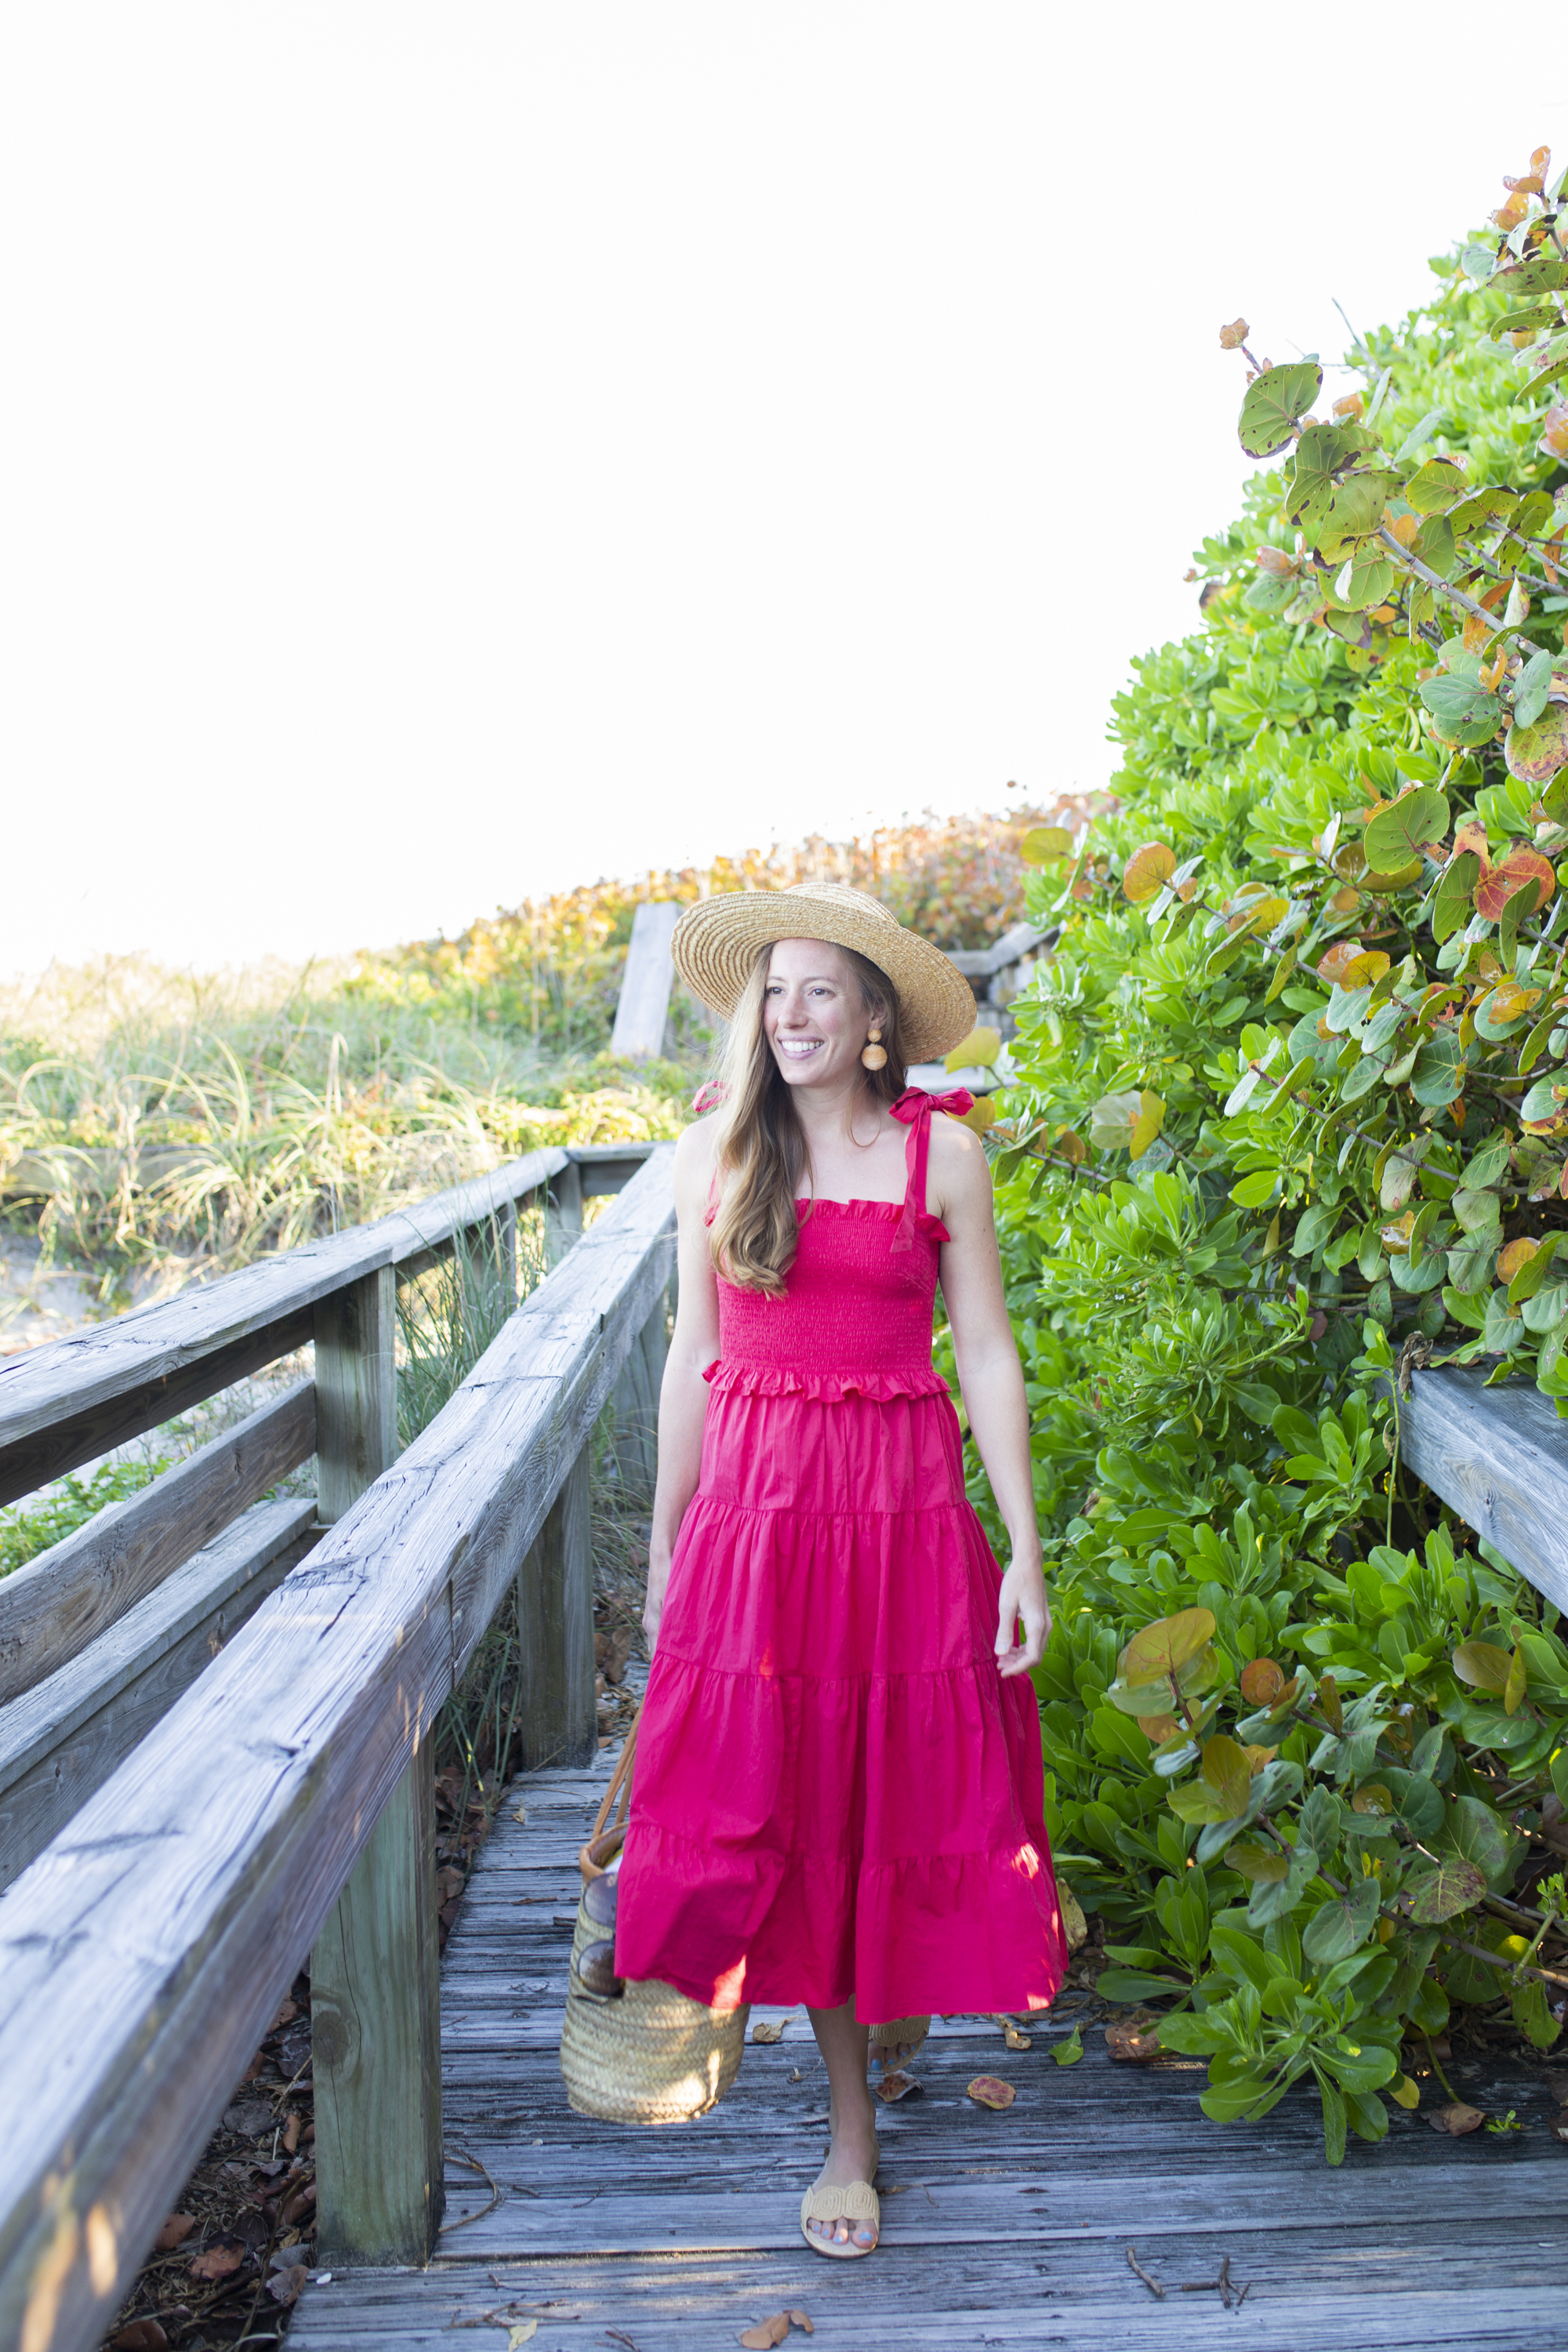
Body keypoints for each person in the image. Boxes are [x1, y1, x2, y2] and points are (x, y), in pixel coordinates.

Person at [613, 882, 1067, 2259]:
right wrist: (665, 1545)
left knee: (905, 1793)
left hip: (904, 1515)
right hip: (758, 1525)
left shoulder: (944, 1161)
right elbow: (696, 1362)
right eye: (774, 990)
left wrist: (1026, 1553)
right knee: (796, 1803)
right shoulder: (715, 1158)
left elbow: (984, 1351)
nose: (791, 1014)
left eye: (822, 991)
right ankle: (851, 2127)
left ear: (876, 1023)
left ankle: (898, 2004)